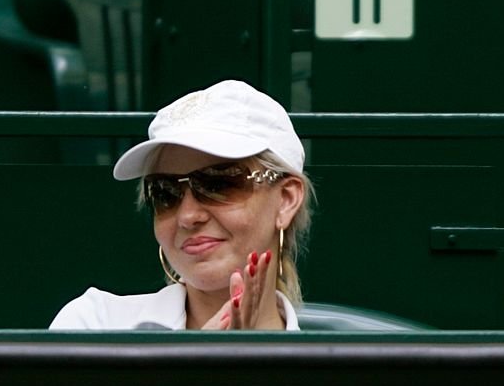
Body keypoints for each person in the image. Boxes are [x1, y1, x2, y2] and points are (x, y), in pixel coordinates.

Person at [49, 80, 314, 331]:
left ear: (286, 200)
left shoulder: (332, 371)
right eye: (166, 193)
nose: (188, 216)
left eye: (219, 184)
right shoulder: (96, 323)